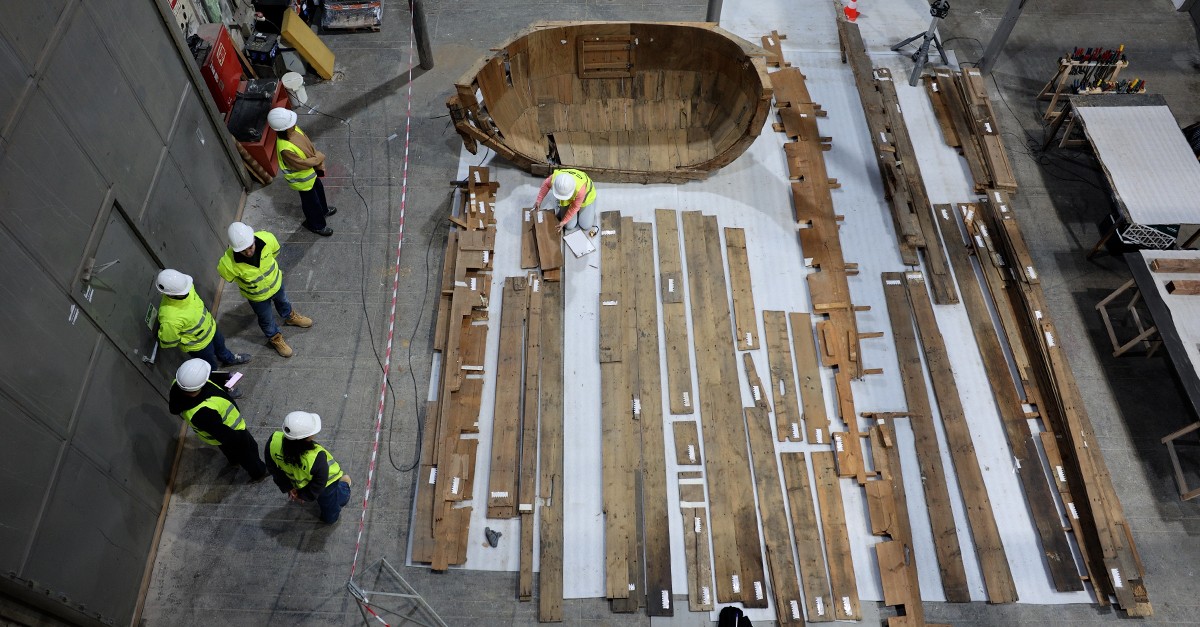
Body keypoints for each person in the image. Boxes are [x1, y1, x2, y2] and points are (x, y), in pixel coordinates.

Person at [218, 222, 312, 358]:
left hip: (276, 284)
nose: (249, 252)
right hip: (257, 297)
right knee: (266, 318)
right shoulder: (227, 263)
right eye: (243, 251)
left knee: (284, 302)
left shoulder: (268, 239)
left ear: (253, 239)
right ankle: (275, 338)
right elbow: (229, 277)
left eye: (250, 247)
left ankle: (290, 317)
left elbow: (275, 253)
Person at [169, 358, 267, 482]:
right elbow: (224, 435)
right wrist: (241, 439)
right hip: (234, 432)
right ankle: (259, 472)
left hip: (220, 438)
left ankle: (234, 460)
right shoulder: (203, 412)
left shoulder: (178, 385)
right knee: (249, 453)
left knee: (228, 450)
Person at [265, 411, 353, 524]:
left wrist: (289, 488)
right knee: (330, 511)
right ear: (307, 437)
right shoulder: (316, 456)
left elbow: (273, 469)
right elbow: (320, 483)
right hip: (327, 484)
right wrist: (305, 496)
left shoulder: (273, 441)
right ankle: (344, 487)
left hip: (298, 484)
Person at [156, 268, 250, 372]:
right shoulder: (170, 317)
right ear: (170, 294)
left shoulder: (187, 287)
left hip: (211, 328)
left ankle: (229, 359)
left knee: (221, 347)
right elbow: (169, 340)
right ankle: (216, 380)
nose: (187, 291)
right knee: (209, 366)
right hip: (199, 346)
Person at [267, 107, 336, 237]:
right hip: (303, 181)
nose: (294, 123)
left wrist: (316, 160)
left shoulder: (294, 129)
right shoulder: (285, 148)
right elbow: (301, 164)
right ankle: (317, 225)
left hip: (312, 174)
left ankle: (324, 210)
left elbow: (307, 144)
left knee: (319, 191)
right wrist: (318, 159)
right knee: (311, 203)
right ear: (284, 128)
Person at [534, 169, 599, 237]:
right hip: (571, 199)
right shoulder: (557, 179)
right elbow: (546, 184)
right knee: (569, 226)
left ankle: (591, 207)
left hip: (586, 199)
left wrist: (563, 221)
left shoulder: (580, 189)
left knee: (586, 225)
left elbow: (575, 207)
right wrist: (539, 200)